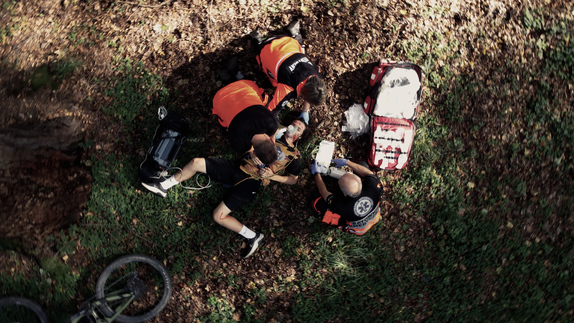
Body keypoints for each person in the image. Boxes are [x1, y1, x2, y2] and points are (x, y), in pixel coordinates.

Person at [142, 119, 305, 258]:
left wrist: (272, 176)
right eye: (293, 123)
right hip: (236, 168)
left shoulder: (295, 155)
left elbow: (293, 180)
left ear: (300, 135)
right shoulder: (271, 135)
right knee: (196, 162)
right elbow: (248, 143)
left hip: (251, 183)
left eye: (299, 128)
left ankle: (253, 237)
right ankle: (163, 186)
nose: (294, 127)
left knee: (218, 216)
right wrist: (253, 153)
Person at [251, 20, 326, 123]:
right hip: (266, 47)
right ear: (303, 94)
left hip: (286, 40)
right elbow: (272, 110)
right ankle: (257, 41)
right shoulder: (288, 88)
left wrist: (305, 110)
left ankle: (294, 33)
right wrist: (274, 126)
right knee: (271, 78)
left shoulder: (316, 72)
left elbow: (310, 87)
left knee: (301, 51)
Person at [311, 159, 383, 235]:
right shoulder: (373, 186)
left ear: (344, 194)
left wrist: (316, 174)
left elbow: (324, 193)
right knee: (362, 165)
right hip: (373, 214)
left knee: (319, 203)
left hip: (359, 228)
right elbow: (368, 173)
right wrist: (347, 162)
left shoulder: (342, 207)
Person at [211, 79, 279, 156]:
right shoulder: (237, 144)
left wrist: (273, 135)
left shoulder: (272, 124)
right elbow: (246, 149)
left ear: (272, 141)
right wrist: (250, 151)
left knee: (265, 102)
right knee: (225, 126)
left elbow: (275, 130)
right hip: (219, 96)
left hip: (246, 85)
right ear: (254, 152)